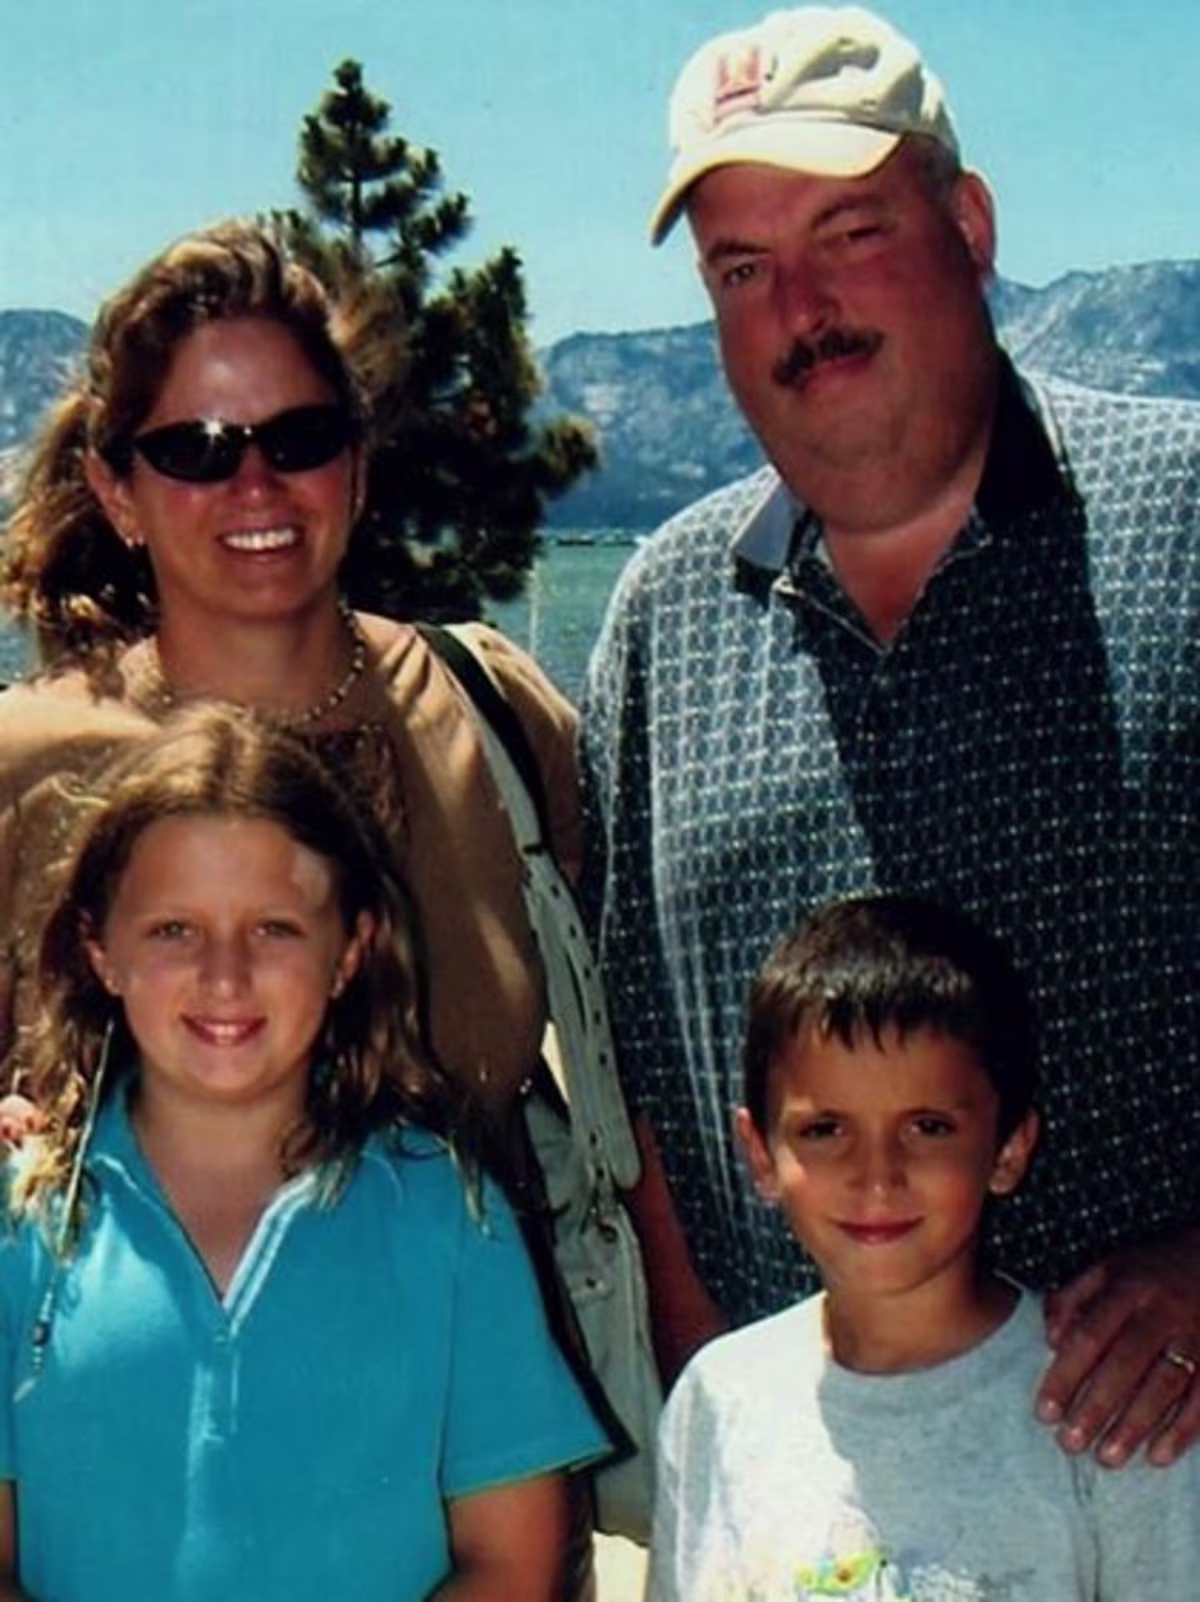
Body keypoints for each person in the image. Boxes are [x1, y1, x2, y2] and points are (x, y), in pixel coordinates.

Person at [580, 2, 1200, 1469]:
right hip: (824, 1511)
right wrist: (716, 1435)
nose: (801, 304)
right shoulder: (665, 618)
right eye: (743, 265)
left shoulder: (1183, 521)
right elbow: (655, 1094)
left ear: (969, 226)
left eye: (850, 230)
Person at [0, 218, 616, 1594]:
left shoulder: (495, 711)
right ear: (115, 485)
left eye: (299, 434)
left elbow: (635, 1055)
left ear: (359, 457)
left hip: (461, 1486)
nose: (255, 482)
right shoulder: (28, 763)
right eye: (195, 449)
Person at [0, 706, 608, 1602]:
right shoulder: (23, 1222)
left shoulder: (447, 1212)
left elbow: (511, 1563)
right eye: (174, 929)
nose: (224, 975)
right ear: (100, 949)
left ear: (349, 950)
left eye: (274, 929)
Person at [648, 896, 1200, 1600]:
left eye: (928, 1127)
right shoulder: (719, 1402)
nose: (876, 1174)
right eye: (825, 1130)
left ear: (1007, 1148)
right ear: (760, 1153)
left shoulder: (1111, 1397)